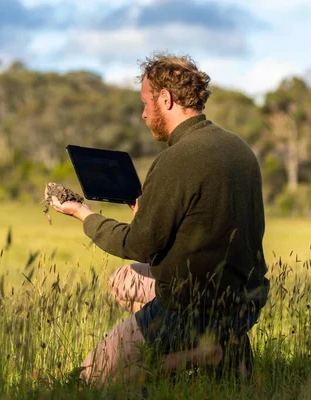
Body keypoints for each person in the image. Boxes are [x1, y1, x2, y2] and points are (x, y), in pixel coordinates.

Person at [49, 52, 270, 385]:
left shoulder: (177, 159)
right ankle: (212, 344)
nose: (142, 114)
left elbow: (138, 244)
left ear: (165, 100)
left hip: (193, 307)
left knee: (90, 380)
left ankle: (204, 354)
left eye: (145, 103)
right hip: (243, 300)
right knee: (123, 282)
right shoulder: (237, 147)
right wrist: (146, 213)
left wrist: (83, 214)